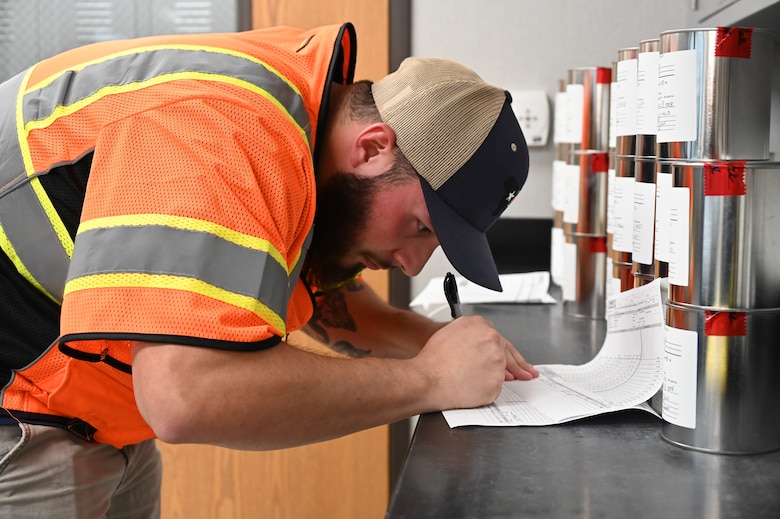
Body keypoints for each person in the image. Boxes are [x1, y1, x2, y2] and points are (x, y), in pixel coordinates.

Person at [0, 21, 539, 517]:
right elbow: (185, 396)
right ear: (374, 148)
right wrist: (430, 379)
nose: (413, 262)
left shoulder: (303, 127)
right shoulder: (225, 131)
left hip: (95, 414)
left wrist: (438, 343)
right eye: (423, 227)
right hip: (19, 419)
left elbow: (330, 297)